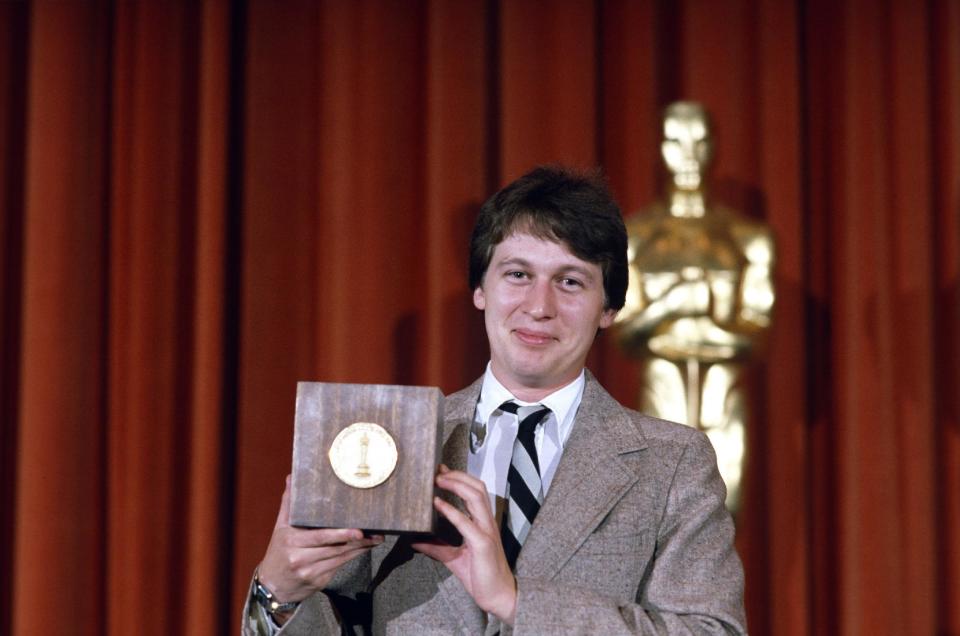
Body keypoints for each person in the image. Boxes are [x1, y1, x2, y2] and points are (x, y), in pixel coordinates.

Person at [243, 165, 747, 635]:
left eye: (570, 281)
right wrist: (278, 596)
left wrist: (516, 600)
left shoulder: (673, 463)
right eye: (517, 274)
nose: (539, 306)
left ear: (609, 308)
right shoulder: (387, 441)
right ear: (480, 288)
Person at [615, 101, 775, 513]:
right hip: (662, 380)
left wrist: (708, 322)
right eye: (675, 143)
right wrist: (672, 304)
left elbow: (756, 338)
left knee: (725, 510)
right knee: (664, 511)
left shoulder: (747, 237)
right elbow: (624, 333)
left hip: (723, 387)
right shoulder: (636, 234)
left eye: (700, 143)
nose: (688, 156)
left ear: (715, 148)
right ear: (660, 149)